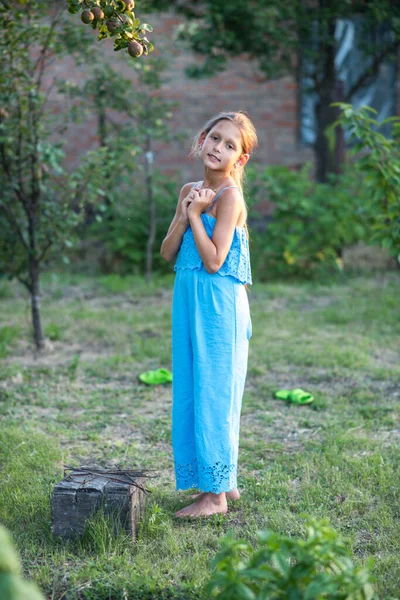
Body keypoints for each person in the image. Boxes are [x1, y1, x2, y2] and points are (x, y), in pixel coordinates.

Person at [160, 111, 258, 518]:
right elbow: (168, 252)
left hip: (218, 307)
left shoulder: (230, 197)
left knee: (216, 391)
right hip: (188, 301)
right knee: (193, 387)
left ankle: (215, 497)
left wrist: (199, 216)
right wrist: (185, 213)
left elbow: (215, 261)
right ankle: (224, 482)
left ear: (240, 158)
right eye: (214, 138)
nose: (219, 147)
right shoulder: (190, 189)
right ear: (202, 140)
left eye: (230, 145)